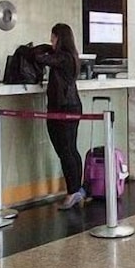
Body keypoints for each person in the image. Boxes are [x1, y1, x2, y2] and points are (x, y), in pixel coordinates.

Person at [34, 23, 86, 210]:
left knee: (65, 151)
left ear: (60, 38)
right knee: (71, 149)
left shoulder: (63, 57)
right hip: (71, 106)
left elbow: (38, 57)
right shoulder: (71, 56)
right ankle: (77, 189)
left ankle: (72, 192)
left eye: (53, 37)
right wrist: (49, 47)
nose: (51, 40)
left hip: (62, 108)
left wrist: (45, 48)